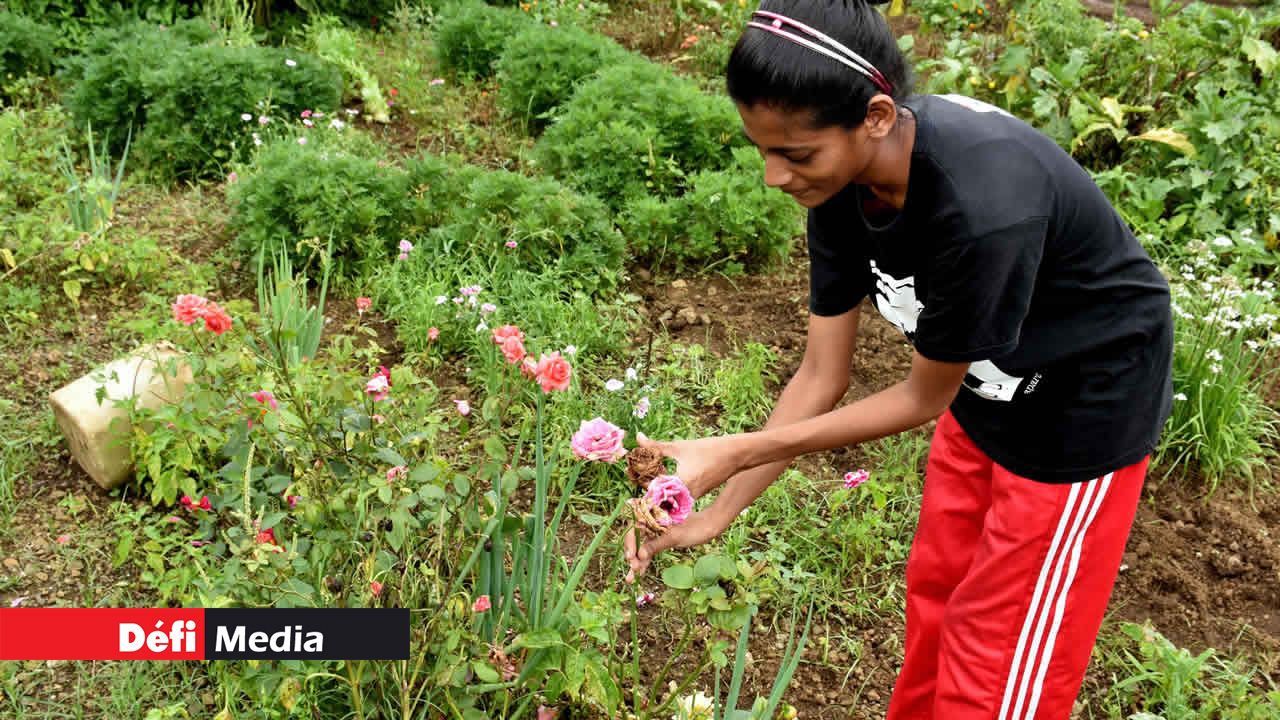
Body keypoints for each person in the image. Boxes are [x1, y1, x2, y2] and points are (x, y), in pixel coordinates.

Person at [622, 1, 1174, 718]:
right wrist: (719, 512)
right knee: (938, 597)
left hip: (1080, 411)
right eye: (763, 150)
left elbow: (920, 399)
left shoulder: (982, 210)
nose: (773, 177)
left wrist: (732, 451)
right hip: (986, 388)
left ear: (877, 117)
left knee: (998, 661)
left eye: (794, 154)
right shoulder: (842, 185)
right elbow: (823, 374)